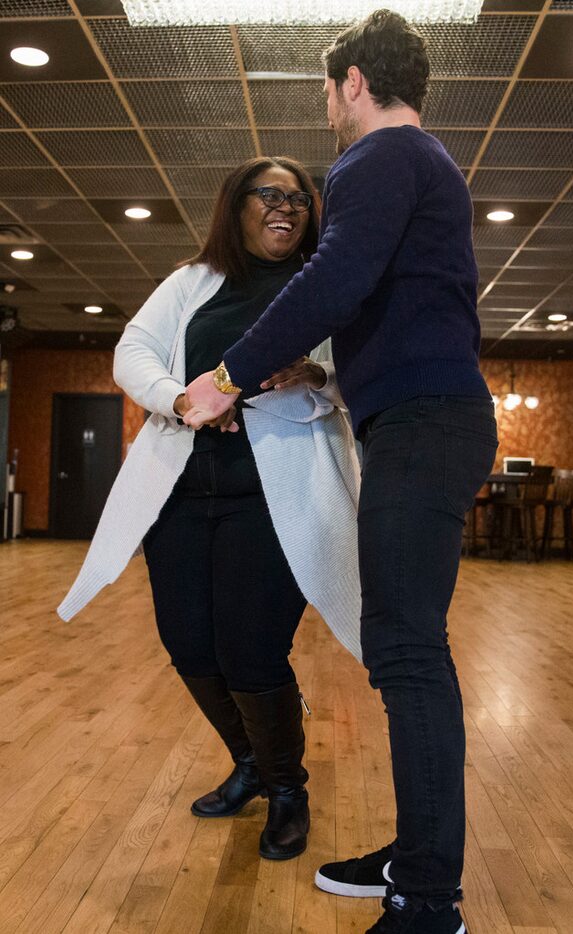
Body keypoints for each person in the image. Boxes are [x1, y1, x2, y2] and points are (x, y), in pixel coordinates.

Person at [179, 10, 499, 934]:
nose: (326, 106)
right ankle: (414, 857)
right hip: (420, 417)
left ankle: (428, 901)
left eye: (326, 89)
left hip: (424, 424)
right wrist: (317, 369)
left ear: (352, 80)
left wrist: (228, 377)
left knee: (405, 651)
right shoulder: (420, 162)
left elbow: (334, 280)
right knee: (401, 646)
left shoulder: (376, 158)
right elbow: (378, 296)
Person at [57, 156, 362, 864]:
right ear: (236, 206)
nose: (286, 207)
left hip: (272, 502)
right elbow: (132, 349)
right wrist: (179, 399)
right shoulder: (193, 283)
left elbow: (352, 375)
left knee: (251, 652)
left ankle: (288, 788)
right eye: (269, 195)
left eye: (299, 199)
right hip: (181, 499)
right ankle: (250, 763)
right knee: (190, 646)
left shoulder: (319, 289)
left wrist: (315, 372)